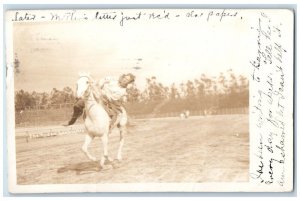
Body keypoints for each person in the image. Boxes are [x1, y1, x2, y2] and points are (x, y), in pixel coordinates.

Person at [64, 73, 135, 128]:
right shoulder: (114, 79)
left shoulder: (122, 91)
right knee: (77, 105)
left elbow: (112, 98)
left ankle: (107, 127)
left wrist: (103, 93)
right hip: (97, 91)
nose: (124, 80)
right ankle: (72, 121)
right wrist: (100, 85)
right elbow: (103, 80)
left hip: (106, 100)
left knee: (111, 114)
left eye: (127, 80)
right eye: (125, 77)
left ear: (128, 83)